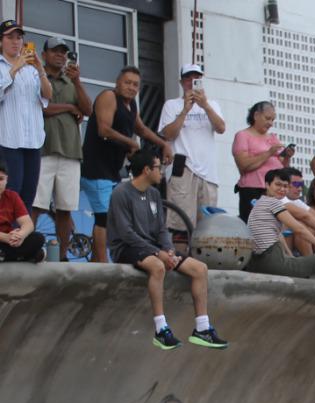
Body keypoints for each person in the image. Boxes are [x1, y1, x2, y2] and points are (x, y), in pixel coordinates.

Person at [108, 149, 226, 350]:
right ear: (146, 170)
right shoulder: (121, 193)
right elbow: (126, 233)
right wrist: (158, 254)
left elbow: (161, 228)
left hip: (153, 248)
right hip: (127, 248)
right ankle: (161, 329)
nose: (162, 171)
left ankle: (202, 328)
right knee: (157, 267)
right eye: (158, 167)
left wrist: (169, 250)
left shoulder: (154, 194)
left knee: (200, 269)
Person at [84, 67, 168, 262]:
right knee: (103, 219)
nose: (131, 87)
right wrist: (130, 142)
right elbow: (103, 129)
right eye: (127, 82)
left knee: (113, 219)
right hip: (96, 168)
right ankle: (103, 268)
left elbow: (142, 129)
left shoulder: (131, 106)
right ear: (117, 83)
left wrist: (163, 144)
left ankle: (98, 262)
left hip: (113, 170)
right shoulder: (108, 97)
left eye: (135, 84)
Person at [157, 64, 224, 247]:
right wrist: (185, 110)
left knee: (209, 224)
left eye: (196, 78)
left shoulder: (213, 105)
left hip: (208, 172)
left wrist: (205, 106)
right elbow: (168, 134)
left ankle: (203, 263)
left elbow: (221, 128)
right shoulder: (172, 105)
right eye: (188, 78)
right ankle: (180, 259)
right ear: (181, 82)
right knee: (180, 222)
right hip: (182, 167)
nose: (191, 82)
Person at [30, 40, 88, 251]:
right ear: (44, 54)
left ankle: (62, 256)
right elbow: (41, 107)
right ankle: (26, 251)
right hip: (43, 150)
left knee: (65, 209)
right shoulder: (35, 75)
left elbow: (88, 109)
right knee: (35, 205)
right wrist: (70, 107)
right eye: (55, 51)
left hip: (71, 152)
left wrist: (78, 82)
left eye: (63, 52)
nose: (60, 55)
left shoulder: (71, 81)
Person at [243, 167, 315, 278]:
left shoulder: (260, 203)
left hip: (255, 262)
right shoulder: (274, 203)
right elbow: (299, 229)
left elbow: (279, 236)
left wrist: (291, 257)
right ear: (267, 185)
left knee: (297, 262)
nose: (282, 189)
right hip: (271, 263)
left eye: (286, 186)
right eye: (278, 185)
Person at [0, 19, 49, 209]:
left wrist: (41, 69)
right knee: (11, 191)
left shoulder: (32, 69)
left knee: (28, 193)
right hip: (8, 140)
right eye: (10, 37)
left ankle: (21, 237)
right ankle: (5, 236)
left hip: (33, 140)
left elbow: (48, 95)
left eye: (19, 37)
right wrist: (14, 68)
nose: (15, 42)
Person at [229, 100, 290, 221]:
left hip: (274, 190)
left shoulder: (272, 137)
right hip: (254, 189)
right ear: (256, 115)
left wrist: (287, 156)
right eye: (267, 118)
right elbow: (243, 165)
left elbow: (283, 168)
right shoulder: (243, 135)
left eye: (273, 120)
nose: (270, 123)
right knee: (255, 226)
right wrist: (268, 153)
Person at [0, 160, 43, 261]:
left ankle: (7, 256)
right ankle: (25, 256)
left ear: (7, 180)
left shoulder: (12, 196)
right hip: (4, 238)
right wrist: (5, 237)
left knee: (38, 238)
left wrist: (21, 235)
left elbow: (28, 224)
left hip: (9, 241)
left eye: (1, 179)